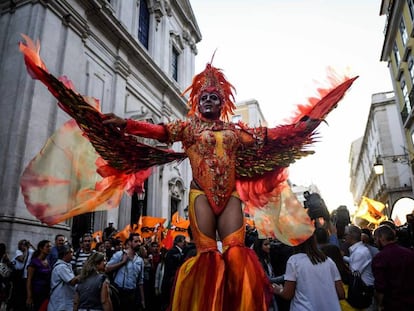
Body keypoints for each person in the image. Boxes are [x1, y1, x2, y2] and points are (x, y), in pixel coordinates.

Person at [19, 37, 357, 311]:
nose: (209, 99)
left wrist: (307, 123)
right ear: (198, 102)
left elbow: (274, 136)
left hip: (230, 197)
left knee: (238, 253)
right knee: (208, 256)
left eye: (215, 96)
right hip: (200, 196)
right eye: (204, 96)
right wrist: (126, 123)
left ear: (223, 101)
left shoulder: (236, 131)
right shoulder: (187, 127)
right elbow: (159, 131)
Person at [273, 234, 345, 311]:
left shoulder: (294, 261)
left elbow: (288, 294)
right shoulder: (329, 262)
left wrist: (279, 290)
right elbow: (341, 293)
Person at [372, 224, 414, 311]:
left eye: (375, 239)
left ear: (382, 238)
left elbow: (380, 286)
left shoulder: (380, 257)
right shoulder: (409, 253)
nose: (375, 242)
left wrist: (379, 304)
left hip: (393, 304)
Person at [105, 233, 145, 311]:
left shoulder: (140, 260)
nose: (138, 244)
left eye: (139, 241)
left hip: (131, 293)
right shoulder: (119, 255)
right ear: (130, 242)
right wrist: (122, 262)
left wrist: (142, 300)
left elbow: (140, 281)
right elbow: (106, 268)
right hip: (118, 292)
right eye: (136, 241)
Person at [343, 225, 375, 309]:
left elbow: (353, 273)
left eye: (345, 235)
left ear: (350, 236)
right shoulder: (359, 250)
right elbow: (353, 261)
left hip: (363, 292)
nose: (344, 237)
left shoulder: (359, 253)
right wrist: (342, 257)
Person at [47, 244, 80, 311]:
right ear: (65, 254)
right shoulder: (61, 267)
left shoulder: (65, 266)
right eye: (71, 252)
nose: (73, 255)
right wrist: (86, 272)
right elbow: (72, 281)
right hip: (61, 305)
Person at [161, 235, 186, 309]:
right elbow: (171, 267)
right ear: (178, 243)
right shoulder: (173, 252)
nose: (184, 243)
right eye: (183, 241)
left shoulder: (177, 252)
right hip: (170, 281)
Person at [253, 238, 279, 311]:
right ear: (259, 246)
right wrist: (284, 277)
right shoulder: (258, 262)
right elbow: (267, 279)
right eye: (266, 245)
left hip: (270, 292)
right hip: (264, 295)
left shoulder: (267, 258)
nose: (269, 246)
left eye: (269, 244)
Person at [26, 240, 52, 311]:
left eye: (50, 246)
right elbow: (29, 280)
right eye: (47, 247)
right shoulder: (34, 262)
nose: (49, 248)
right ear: (41, 248)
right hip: (36, 293)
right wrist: (29, 296)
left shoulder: (48, 261)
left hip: (46, 293)